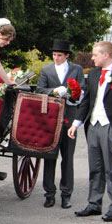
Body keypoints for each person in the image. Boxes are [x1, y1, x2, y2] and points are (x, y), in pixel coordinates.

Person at [68, 41, 112, 222]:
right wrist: (76, 124)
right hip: (93, 126)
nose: (92, 58)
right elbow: (86, 102)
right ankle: (94, 204)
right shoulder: (92, 75)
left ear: (105, 55)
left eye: (94, 55)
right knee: (95, 168)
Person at [36, 39, 85, 209]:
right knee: (49, 156)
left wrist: (71, 94)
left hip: (70, 117)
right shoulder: (46, 70)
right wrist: (54, 91)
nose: (56, 58)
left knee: (68, 157)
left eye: (59, 55)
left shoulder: (76, 69)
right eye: (54, 54)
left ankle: (66, 194)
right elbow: (40, 89)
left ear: (66, 56)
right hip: (50, 117)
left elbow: (81, 91)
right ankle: (49, 194)